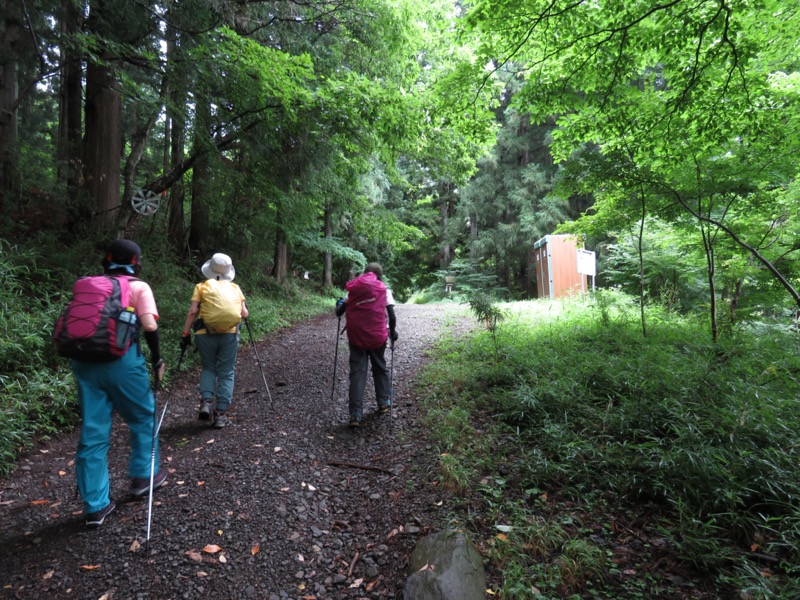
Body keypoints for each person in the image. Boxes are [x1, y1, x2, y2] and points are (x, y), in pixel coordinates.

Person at [71, 240, 167, 528]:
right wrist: (157, 360)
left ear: (107, 260)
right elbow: (149, 325)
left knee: (93, 431)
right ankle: (143, 477)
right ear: (136, 262)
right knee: (143, 417)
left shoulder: (86, 285)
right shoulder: (138, 287)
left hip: (85, 362)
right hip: (123, 362)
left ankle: (96, 506)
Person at [181, 253, 248, 429]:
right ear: (228, 272)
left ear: (210, 269)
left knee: (209, 367)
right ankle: (220, 415)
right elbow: (245, 314)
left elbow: (193, 312)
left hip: (204, 333)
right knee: (226, 372)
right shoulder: (235, 288)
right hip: (229, 334)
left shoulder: (201, 287)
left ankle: (206, 402)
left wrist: (185, 332)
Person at [335, 263, 398, 427]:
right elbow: (391, 315)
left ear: (365, 274)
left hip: (356, 337)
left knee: (357, 372)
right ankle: (383, 402)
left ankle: (355, 414)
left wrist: (339, 304)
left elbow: (339, 312)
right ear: (379, 275)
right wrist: (392, 332)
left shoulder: (355, 289)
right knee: (379, 367)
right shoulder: (384, 289)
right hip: (378, 336)